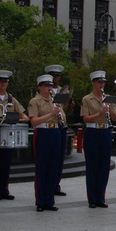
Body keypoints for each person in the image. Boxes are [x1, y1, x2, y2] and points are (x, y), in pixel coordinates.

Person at [81, 70, 116, 208]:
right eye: (99, 82)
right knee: (92, 166)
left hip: (105, 131)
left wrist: (110, 110)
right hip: (92, 131)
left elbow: (114, 118)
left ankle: (101, 197)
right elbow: (85, 118)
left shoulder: (108, 98)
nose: (101, 85)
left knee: (104, 166)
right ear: (93, 83)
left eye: (103, 82)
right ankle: (92, 198)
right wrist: (99, 113)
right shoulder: (87, 99)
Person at [28, 74, 64, 211]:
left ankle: (50, 200)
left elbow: (63, 120)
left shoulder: (55, 101)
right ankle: (40, 200)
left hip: (55, 132)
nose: (49, 88)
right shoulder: (35, 101)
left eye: (50, 86)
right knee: (42, 167)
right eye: (46, 86)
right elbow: (33, 121)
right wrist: (51, 114)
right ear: (40, 87)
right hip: (42, 133)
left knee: (53, 168)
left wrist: (60, 114)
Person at [0, 70, 28, 201]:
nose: (3, 83)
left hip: (8, 132)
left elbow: (23, 113)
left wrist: (23, 118)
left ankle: (4, 189)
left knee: (6, 162)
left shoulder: (11, 99)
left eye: (5, 81)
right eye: (0, 81)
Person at [45, 64, 70, 197]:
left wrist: (70, 105)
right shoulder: (44, 90)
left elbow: (66, 110)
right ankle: (48, 184)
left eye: (58, 76)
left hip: (61, 124)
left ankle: (56, 184)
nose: (56, 78)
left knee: (60, 157)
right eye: (54, 75)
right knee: (49, 158)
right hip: (49, 125)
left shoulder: (62, 90)